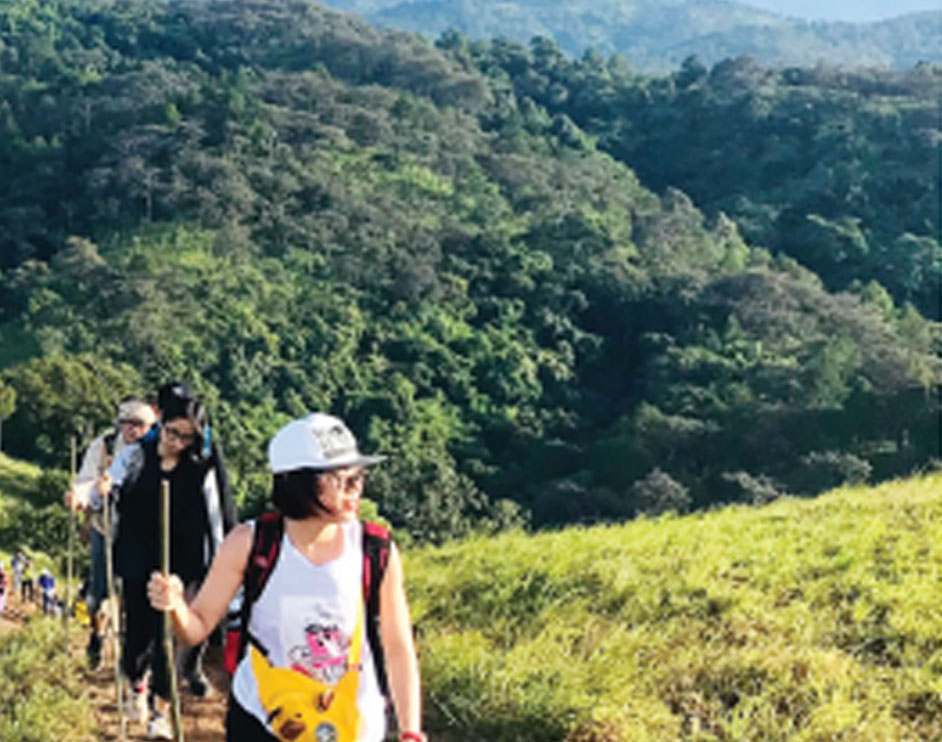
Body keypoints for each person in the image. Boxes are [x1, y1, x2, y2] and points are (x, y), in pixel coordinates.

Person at [147, 412, 426, 742]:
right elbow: (196, 629)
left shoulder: (374, 549)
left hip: (351, 719)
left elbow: (398, 646)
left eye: (359, 477)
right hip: (265, 714)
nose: (357, 489)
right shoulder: (251, 543)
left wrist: (410, 730)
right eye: (343, 480)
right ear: (301, 483)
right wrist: (176, 606)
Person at [96, 385, 236, 739]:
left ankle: (162, 710)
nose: (177, 443)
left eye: (187, 438)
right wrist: (98, 491)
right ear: (162, 424)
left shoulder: (201, 468)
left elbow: (218, 521)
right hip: (138, 557)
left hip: (182, 564)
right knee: (139, 632)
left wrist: (223, 571)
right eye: (173, 433)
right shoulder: (136, 456)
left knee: (170, 638)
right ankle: (136, 686)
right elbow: (110, 487)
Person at [65, 396, 158, 668]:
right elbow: (86, 480)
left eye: (139, 424)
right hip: (105, 528)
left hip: (142, 536)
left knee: (136, 597)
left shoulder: (156, 450)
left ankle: (133, 654)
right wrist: (82, 495)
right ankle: (97, 636)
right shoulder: (104, 445)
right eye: (126, 423)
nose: (132, 430)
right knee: (99, 594)